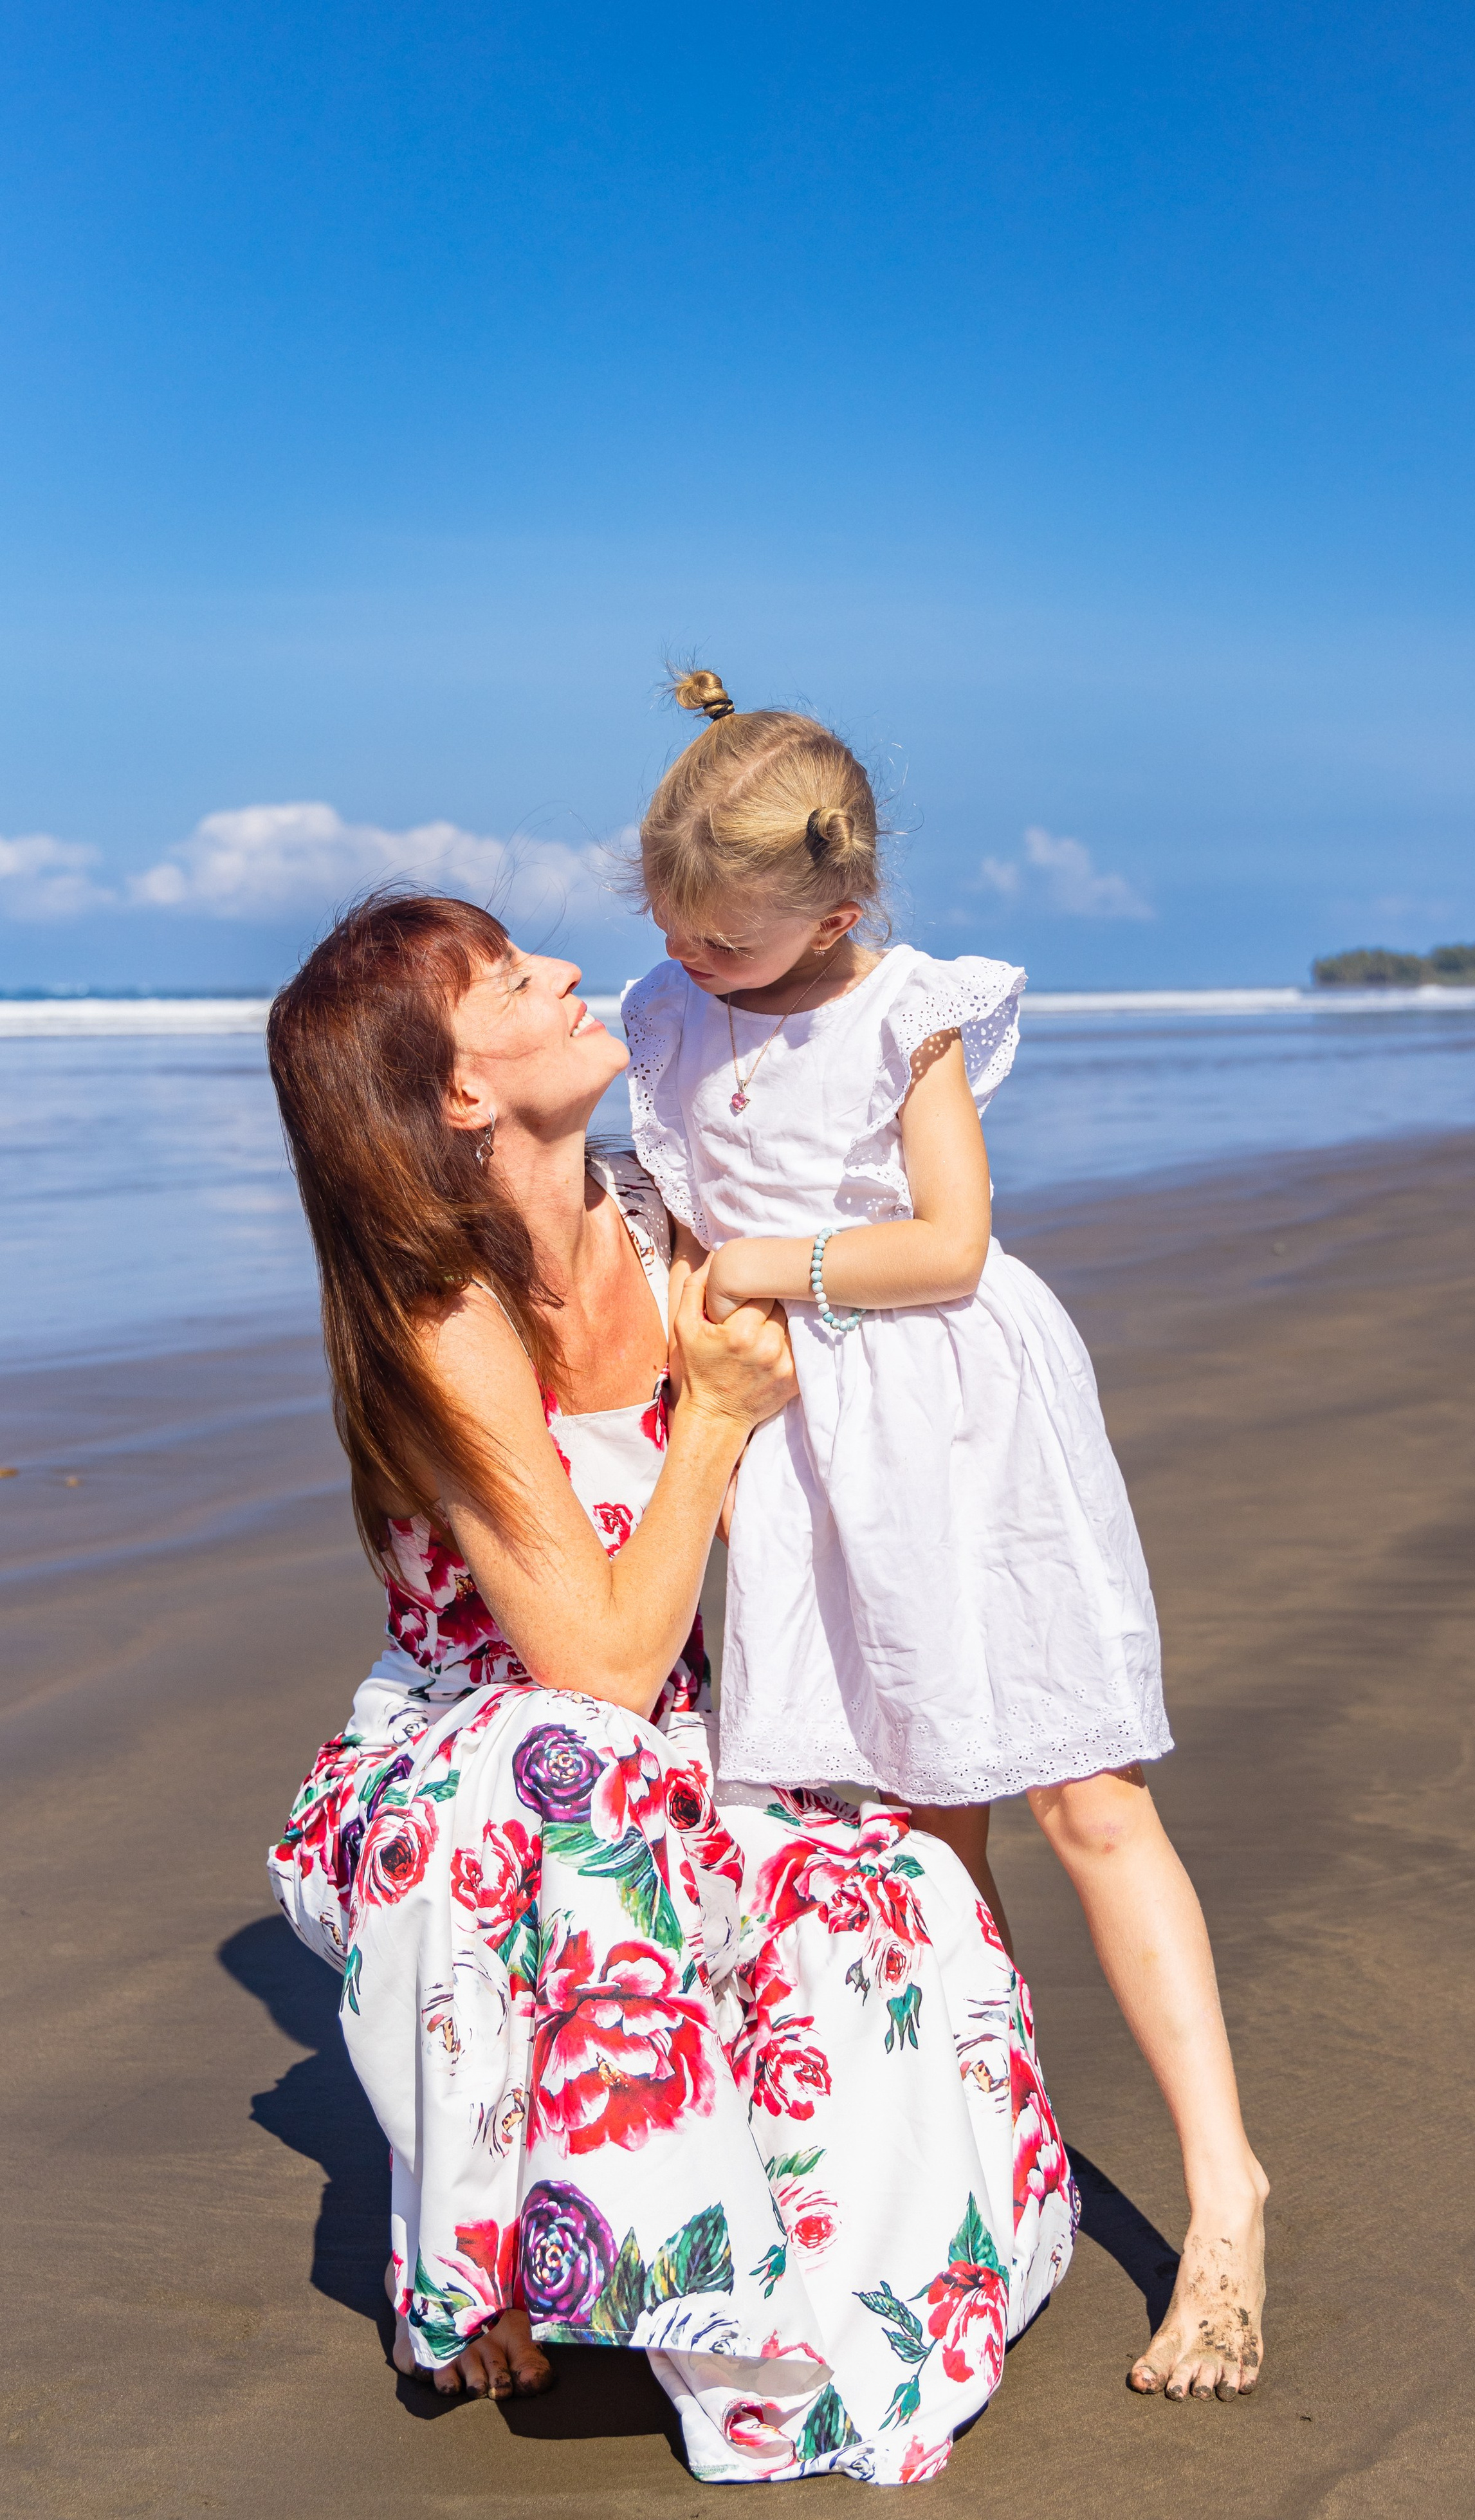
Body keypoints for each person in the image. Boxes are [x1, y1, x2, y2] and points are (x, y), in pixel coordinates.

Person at [264, 892, 1077, 2487]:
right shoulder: (441, 1315)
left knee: (879, 1896)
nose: (570, 971)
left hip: (678, 1733)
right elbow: (599, 1665)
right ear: (458, 1092)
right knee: (573, 1758)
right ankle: (485, 2256)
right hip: (457, 1770)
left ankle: (770, 2271)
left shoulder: (662, 1216)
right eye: (512, 980)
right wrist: (705, 1416)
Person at [621, 670, 1267, 2400]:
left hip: (954, 1418)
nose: (692, 963)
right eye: (671, 932)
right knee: (911, 1816)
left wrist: (756, 1268)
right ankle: (996, 2144)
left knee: (1082, 1790)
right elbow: (663, 1212)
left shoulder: (903, 1010)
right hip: (795, 1444)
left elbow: (951, 1244)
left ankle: (1224, 2195)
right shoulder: (665, 1012)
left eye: (727, 944)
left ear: (837, 911)